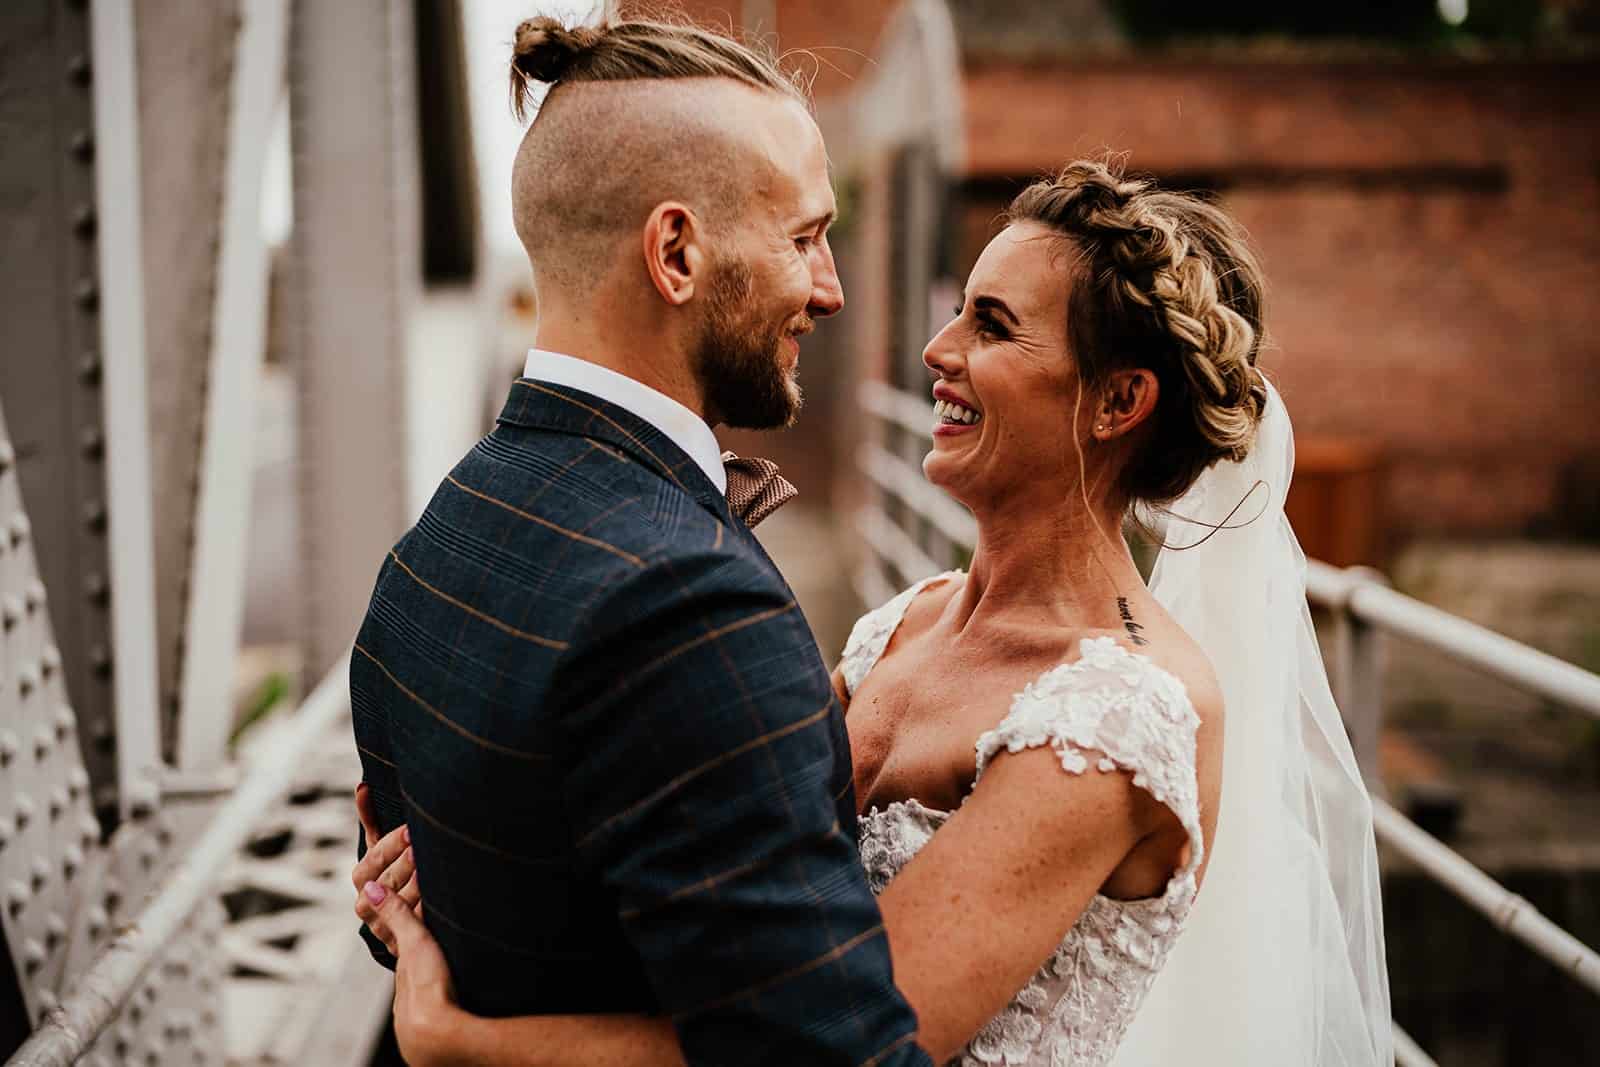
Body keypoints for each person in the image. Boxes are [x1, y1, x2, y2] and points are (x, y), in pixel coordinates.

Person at [355, 23, 1394, 1067]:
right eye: (957, 313)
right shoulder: (908, 620)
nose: (936, 351)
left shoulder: (1118, 717)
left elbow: (843, 1034)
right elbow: (711, 846)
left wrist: (469, 1041)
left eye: (990, 326)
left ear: (1117, 399)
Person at [347, 14, 931, 1067]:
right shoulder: (691, 607)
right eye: (803, 235)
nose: (830, 286)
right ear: (675, 253)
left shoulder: (446, 527)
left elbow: (406, 896)